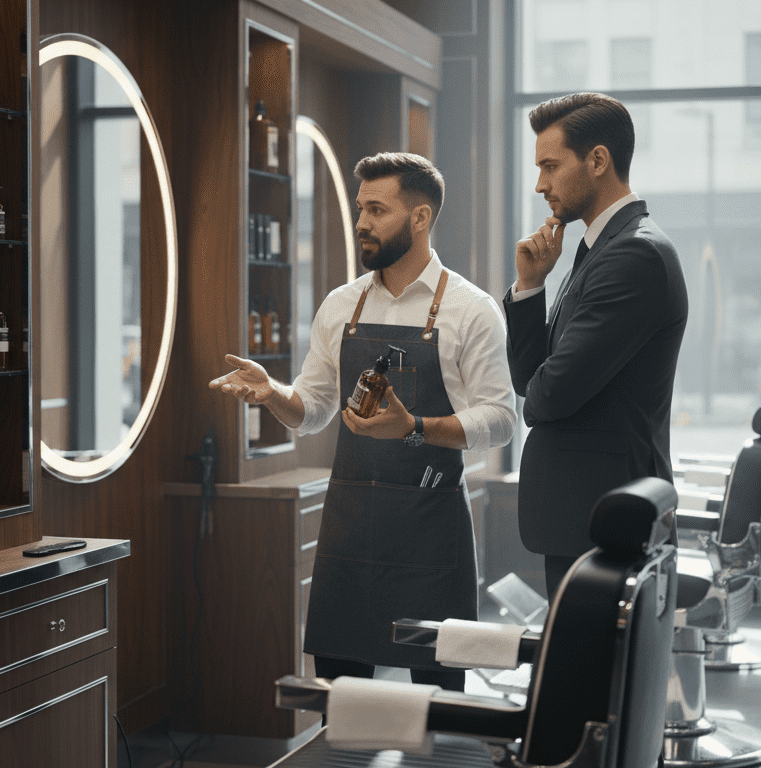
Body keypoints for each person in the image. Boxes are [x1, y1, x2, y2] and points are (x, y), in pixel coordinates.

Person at [210, 152, 515, 691]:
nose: (361, 223)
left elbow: (500, 420)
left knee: (436, 703)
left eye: (377, 209)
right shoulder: (339, 306)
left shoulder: (471, 310)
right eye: (360, 209)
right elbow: (313, 410)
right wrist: (273, 393)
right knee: (339, 703)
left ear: (420, 218)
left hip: (430, 531)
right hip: (349, 530)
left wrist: (414, 426)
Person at [504, 92, 688, 598]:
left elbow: (547, 397)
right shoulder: (599, 250)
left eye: (550, 165)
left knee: (594, 675)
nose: (540, 184)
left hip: (607, 518)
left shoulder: (633, 255)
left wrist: (542, 387)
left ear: (599, 160)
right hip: (587, 515)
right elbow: (529, 382)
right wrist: (529, 288)